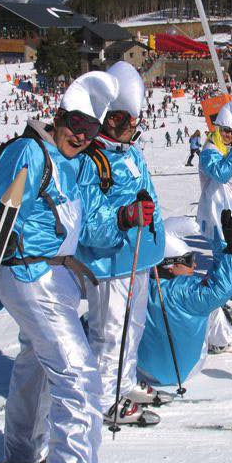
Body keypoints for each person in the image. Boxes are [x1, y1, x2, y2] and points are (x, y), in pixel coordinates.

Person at [0, 71, 123, 463]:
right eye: (76, 124)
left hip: (58, 280)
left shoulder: (73, 165)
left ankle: (22, 454)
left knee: (36, 362)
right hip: (30, 275)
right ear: (59, 116)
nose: (81, 136)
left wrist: (124, 218)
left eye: (90, 130)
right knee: (78, 376)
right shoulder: (30, 152)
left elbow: (89, 228)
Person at [76, 62, 167, 426]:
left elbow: (150, 197)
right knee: (110, 331)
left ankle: (123, 381)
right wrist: (127, 217)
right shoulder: (89, 159)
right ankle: (102, 398)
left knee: (135, 325)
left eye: (130, 120)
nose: (126, 128)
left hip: (138, 257)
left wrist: (154, 234)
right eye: (117, 119)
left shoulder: (132, 153)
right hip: (109, 263)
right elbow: (88, 224)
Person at [138, 211, 232, 385]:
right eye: (189, 259)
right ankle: (221, 341)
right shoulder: (187, 291)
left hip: (143, 370)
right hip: (186, 370)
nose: (195, 264)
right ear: (170, 265)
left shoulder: (138, 286)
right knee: (212, 306)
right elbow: (220, 289)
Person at [196, 100, 232, 264]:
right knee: (224, 255)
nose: (229, 135)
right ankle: (222, 284)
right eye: (226, 131)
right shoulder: (209, 151)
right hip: (218, 212)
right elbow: (221, 173)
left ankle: (230, 280)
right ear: (217, 128)